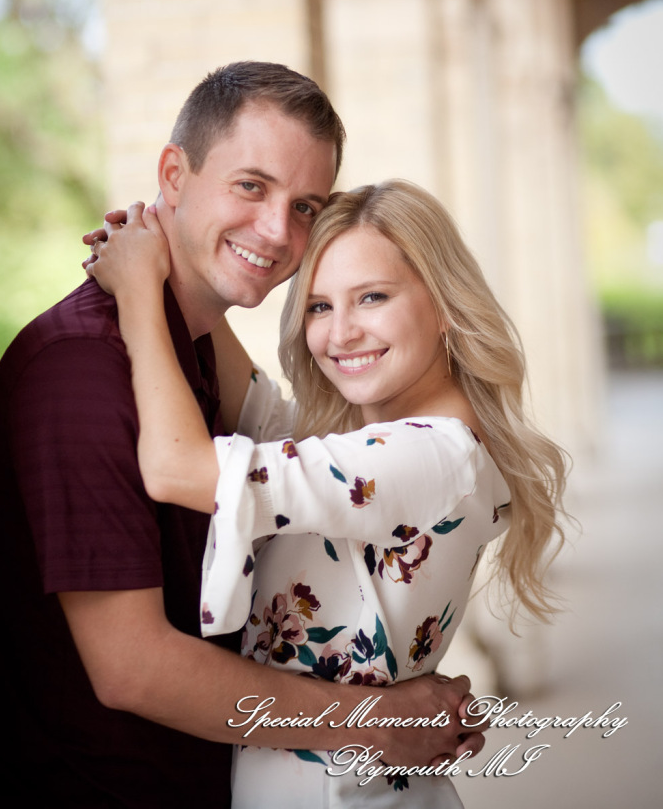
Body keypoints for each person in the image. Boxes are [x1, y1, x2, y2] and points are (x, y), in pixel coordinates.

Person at [0, 63, 487, 809]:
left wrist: (147, 281)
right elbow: (132, 668)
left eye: (304, 206)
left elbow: (234, 430)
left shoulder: (194, 362)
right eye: (250, 185)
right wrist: (376, 721)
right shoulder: (80, 374)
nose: (276, 230)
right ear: (173, 174)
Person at [86, 179, 567, 807]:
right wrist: (175, 242)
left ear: (446, 303)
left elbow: (177, 468)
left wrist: (137, 292)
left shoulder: (427, 457)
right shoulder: (383, 451)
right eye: (318, 306)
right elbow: (258, 405)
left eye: (372, 297)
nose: (341, 335)